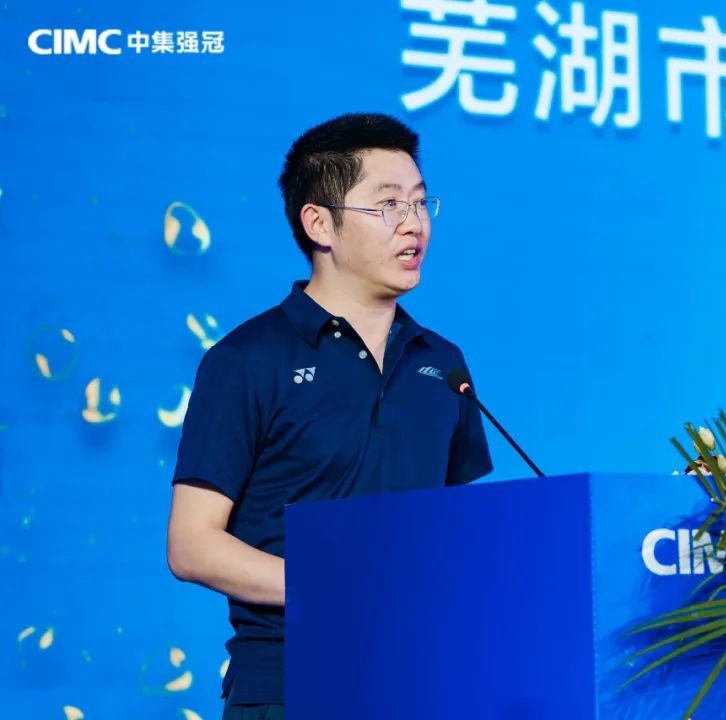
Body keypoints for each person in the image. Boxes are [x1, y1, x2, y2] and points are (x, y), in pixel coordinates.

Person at [166, 112, 493, 719]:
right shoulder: (247, 360)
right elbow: (191, 545)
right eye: (387, 205)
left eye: (420, 203)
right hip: (292, 685)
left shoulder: (442, 364)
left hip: (419, 682)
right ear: (319, 223)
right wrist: (338, 587)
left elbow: (452, 533)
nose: (414, 224)